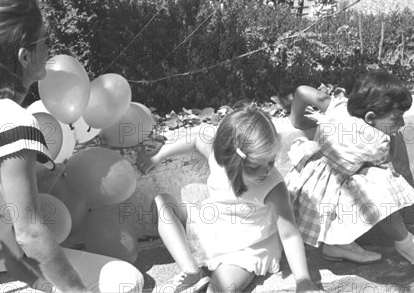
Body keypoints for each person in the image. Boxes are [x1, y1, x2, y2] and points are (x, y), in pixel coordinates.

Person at [0, 0, 144, 293]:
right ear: (24, 56)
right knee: (125, 281)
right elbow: (29, 234)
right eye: (46, 43)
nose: (50, 52)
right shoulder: (15, 122)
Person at [138, 104, 322, 293]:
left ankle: (209, 283)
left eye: (270, 161)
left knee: (216, 290)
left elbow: (290, 235)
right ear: (232, 158)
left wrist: (303, 281)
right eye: (256, 165)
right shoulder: (218, 158)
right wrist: (158, 156)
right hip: (213, 224)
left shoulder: (274, 187)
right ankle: (191, 271)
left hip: (247, 248)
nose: (266, 170)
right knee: (162, 202)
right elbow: (195, 138)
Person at [286, 71, 414, 274]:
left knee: (363, 177)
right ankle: (407, 245)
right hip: (328, 198)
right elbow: (391, 169)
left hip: (305, 187)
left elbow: (302, 91)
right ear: (371, 117)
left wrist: (298, 122)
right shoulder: (378, 142)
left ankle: (336, 244)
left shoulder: (339, 108)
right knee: (380, 181)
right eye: (397, 118)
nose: (402, 124)